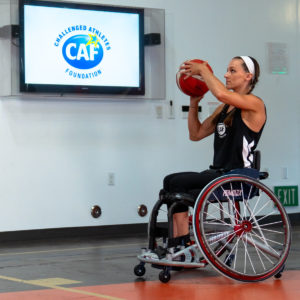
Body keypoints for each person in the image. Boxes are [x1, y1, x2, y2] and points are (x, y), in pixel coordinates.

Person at [163, 56, 266, 248]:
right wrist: (194, 103)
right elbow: (196, 134)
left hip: (238, 176)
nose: (226, 74)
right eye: (227, 70)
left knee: (178, 183)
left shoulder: (255, 104)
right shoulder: (224, 108)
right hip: (218, 174)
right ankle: (178, 243)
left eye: (232, 70)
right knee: (170, 182)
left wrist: (203, 70)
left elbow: (221, 94)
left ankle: (182, 244)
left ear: (248, 76)